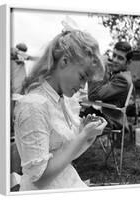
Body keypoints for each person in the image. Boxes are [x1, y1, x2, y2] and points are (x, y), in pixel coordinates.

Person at [13, 29, 107, 191]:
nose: (83, 86)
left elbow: (63, 159)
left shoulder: (62, 100)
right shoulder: (34, 105)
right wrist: (83, 135)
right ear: (64, 61)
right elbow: (40, 179)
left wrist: (86, 136)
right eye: (82, 76)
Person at [87, 41, 133, 131]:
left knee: (77, 115)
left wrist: (99, 67)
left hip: (111, 119)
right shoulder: (121, 75)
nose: (115, 60)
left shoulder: (122, 79)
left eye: (120, 58)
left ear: (128, 62)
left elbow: (92, 95)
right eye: (114, 55)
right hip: (108, 115)